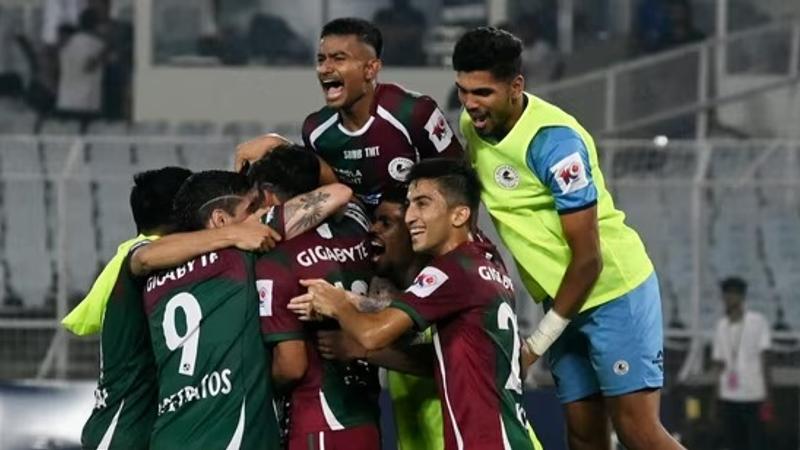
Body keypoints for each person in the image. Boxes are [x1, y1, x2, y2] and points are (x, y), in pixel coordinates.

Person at [453, 27, 684, 450]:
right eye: (463, 90)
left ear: (516, 86)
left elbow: (589, 260)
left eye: (482, 92)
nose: (470, 103)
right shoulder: (472, 125)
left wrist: (536, 344)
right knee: (582, 436)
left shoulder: (555, 144)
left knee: (637, 432)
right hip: (562, 302)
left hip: (612, 292)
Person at [289, 158, 536, 450]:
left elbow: (372, 334)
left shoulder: (452, 269)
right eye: (410, 204)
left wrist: (339, 303)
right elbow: (444, 356)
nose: (411, 217)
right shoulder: (486, 263)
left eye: (423, 203)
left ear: (459, 215)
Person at [235, 17, 462, 211]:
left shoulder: (413, 112)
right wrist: (280, 146)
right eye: (321, 59)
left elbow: (460, 180)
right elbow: (335, 195)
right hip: (358, 240)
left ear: (370, 69)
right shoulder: (316, 130)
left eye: (339, 58)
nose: (325, 68)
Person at [249, 145, 379, 450]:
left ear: (267, 197)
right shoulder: (356, 226)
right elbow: (340, 189)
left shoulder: (275, 259)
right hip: (365, 413)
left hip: (318, 418)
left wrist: (257, 386)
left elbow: (292, 365)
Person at [143, 171, 279, 449]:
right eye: (252, 208)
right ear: (220, 219)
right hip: (230, 438)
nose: (262, 213)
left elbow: (141, 258)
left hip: (169, 436)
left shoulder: (151, 278)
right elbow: (338, 194)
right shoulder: (240, 259)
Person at [317, 182, 445, 450]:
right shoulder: (398, 299)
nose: (372, 229)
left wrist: (361, 350)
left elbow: (443, 363)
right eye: (374, 221)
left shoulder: (444, 286)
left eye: (386, 223)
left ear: (414, 231)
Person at [73, 166, 191, 450]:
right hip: (123, 428)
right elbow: (146, 258)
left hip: (134, 426)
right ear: (182, 212)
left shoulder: (131, 253)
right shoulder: (145, 255)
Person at [711, 276, 771, 450]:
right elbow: (719, 365)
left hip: (754, 395)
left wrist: (769, 396)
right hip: (729, 396)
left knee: (756, 443)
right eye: (726, 295)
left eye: (732, 295)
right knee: (733, 444)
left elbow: (765, 359)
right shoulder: (721, 326)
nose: (728, 299)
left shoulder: (757, 321)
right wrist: (715, 399)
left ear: (742, 297)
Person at [56, 8, 104, 123]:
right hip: (86, 104)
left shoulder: (66, 44)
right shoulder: (97, 44)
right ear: (96, 25)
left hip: (65, 102)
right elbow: (88, 67)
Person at [372, 0, 427, 66]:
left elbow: (418, 32)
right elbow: (377, 33)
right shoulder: (382, 16)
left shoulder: (417, 16)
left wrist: (397, 34)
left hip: (412, 64)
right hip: (386, 64)